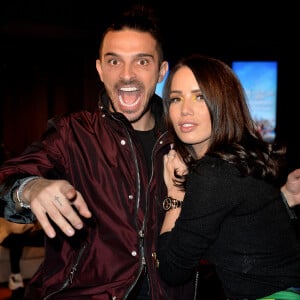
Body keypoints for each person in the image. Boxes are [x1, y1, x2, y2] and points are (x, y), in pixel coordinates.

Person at [0, 5, 300, 300]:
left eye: (142, 62)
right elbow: (7, 180)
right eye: (114, 62)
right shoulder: (72, 134)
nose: (127, 75)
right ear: (99, 69)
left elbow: (221, 221)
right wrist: (30, 188)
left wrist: (277, 202)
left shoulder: (186, 138)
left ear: (161, 71)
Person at [156, 54, 300, 300]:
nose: (185, 110)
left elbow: (172, 269)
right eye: (176, 99)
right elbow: (246, 226)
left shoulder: (213, 172)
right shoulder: (239, 155)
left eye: (199, 97)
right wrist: (283, 198)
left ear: (223, 102)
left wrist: (175, 194)